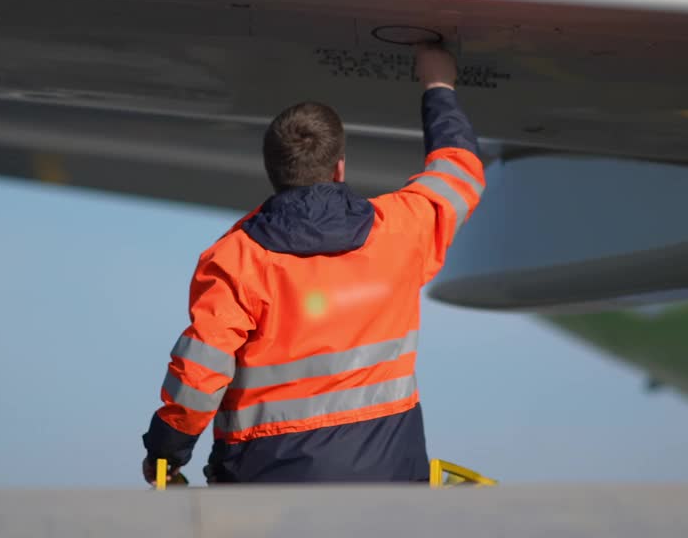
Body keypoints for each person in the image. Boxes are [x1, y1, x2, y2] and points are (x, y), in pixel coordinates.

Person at [141, 43, 484, 484]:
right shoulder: (400, 230)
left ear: (272, 170)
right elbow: (461, 172)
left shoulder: (235, 259)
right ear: (339, 167)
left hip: (268, 490)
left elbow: (201, 372)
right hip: (389, 483)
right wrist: (438, 84)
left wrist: (164, 452)